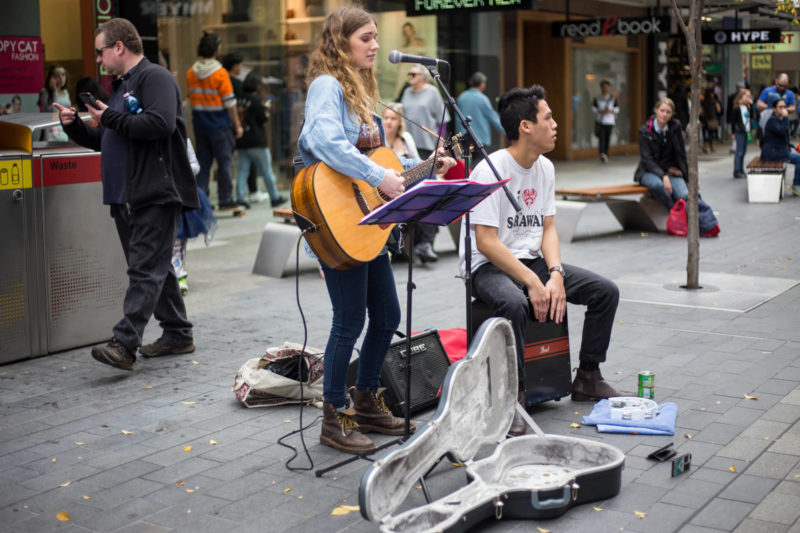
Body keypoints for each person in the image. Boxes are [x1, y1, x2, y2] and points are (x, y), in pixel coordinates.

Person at [297, 5, 454, 454]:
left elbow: (385, 164)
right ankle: (333, 417)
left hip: (371, 225)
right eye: (365, 37)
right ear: (341, 41)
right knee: (348, 322)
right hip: (339, 223)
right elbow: (320, 140)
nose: (375, 44)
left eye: (374, 37)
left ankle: (366, 399)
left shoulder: (364, 91)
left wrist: (426, 167)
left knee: (386, 316)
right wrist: (374, 175)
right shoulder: (327, 85)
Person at [458, 84, 625, 436]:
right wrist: (533, 282)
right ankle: (511, 401)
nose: (555, 124)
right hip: (486, 265)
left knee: (605, 292)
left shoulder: (545, 167)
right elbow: (486, 243)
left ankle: (588, 377)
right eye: (548, 117)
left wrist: (555, 274)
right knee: (515, 303)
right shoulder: (490, 170)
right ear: (525, 127)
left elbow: (548, 228)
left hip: (528, 259)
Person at [53, 18, 198, 371]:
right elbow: (108, 140)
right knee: (154, 268)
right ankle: (178, 333)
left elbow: (161, 123)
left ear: (119, 46)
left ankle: (125, 342)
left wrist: (111, 118)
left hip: (154, 192)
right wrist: (76, 128)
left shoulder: (155, 78)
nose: (99, 60)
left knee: (144, 270)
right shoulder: (121, 87)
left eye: (101, 51)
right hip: (126, 195)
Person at [186, 32, 243, 210]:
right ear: (215, 49)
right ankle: (225, 200)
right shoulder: (220, 73)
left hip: (200, 125)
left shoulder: (191, 73)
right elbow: (230, 103)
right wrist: (237, 124)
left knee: (203, 164)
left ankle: (201, 200)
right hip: (219, 125)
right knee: (225, 163)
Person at [400, 65, 450, 262]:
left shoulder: (432, 93)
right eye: (409, 74)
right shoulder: (405, 92)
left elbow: (443, 121)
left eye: (413, 74)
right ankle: (416, 244)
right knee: (414, 195)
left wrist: (440, 144)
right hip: (407, 148)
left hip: (427, 148)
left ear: (423, 77)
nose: (410, 77)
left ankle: (427, 243)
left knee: (429, 193)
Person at [235, 71, 285, 208]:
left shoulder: (240, 99)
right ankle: (274, 197)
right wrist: (266, 109)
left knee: (242, 170)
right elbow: (262, 118)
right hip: (256, 140)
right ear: (256, 86)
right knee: (266, 169)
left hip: (242, 140)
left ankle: (240, 198)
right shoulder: (255, 100)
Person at [634, 97, 689, 210]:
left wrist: (688, 178)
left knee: (683, 195)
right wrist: (663, 176)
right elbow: (647, 159)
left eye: (668, 112)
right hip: (648, 171)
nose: (664, 114)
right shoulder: (645, 131)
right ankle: (674, 211)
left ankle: (682, 215)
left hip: (669, 170)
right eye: (662, 110)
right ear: (656, 110)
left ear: (672, 114)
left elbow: (681, 154)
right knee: (657, 185)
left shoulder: (675, 128)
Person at [456, 71, 504, 168]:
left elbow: (457, 118)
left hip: (464, 137)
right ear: (482, 84)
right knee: (479, 164)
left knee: (465, 164)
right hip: (480, 138)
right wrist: (507, 130)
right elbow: (493, 117)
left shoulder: (462, 97)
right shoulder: (482, 99)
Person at [761, 96, 800, 197]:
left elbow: (781, 137)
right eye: (780, 107)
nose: (783, 109)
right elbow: (782, 132)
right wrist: (786, 118)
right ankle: (796, 185)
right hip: (773, 153)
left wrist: (789, 145)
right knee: (799, 159)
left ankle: (796, 184)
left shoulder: (778, 119)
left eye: (784, 106)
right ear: (774, 109)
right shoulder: (772, 120)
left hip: (778, 150)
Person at [592, 79, 619, 163]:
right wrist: (601, 111)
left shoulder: (612, 98)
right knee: (602, 138)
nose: (605, 88)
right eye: (604, 87)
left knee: (607, 138)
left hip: (610, 121)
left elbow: (617, 108)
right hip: (601, 121)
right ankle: (602, 153)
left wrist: (610, 111)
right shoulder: (597, 98)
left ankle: (606, 153)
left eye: (607, 86)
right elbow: (593, 108)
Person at [731, 88, 752, 179]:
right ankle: (737, 170)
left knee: (743, 151)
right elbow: (733, 121)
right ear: (741, 97)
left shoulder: (747, 107)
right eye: (746, 96)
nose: (748, 98)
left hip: (745, 131)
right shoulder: (737, 108)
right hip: (739, 131)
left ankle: (741, 169)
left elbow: (752, 116)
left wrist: (750, 104)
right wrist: (733, 133)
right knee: (739, 152)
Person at [700, 84, 722, 153]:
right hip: (712, 119)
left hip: (705, 120)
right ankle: (711, 147)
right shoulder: (714, 101)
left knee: (705, 134)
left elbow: (701, 111)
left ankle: (705, 146)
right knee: (711, 134)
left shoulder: (703, 102)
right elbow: (719, 110)